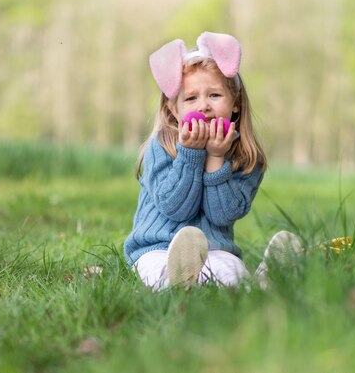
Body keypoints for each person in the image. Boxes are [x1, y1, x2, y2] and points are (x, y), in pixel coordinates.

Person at [123, 31, 302, 290]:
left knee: (232, 274)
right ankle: (178, 281)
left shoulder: (245, 155)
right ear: (173, 109)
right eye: (191, 98)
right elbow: (175, 208)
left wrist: (216, 158)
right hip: (156, 248)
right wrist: (191, 154)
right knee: (159, 274)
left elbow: (223, 215)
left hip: (216, 248)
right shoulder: (161, 146)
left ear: (235, 103)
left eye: (214, 96)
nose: (204, 105)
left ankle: (266, 281)